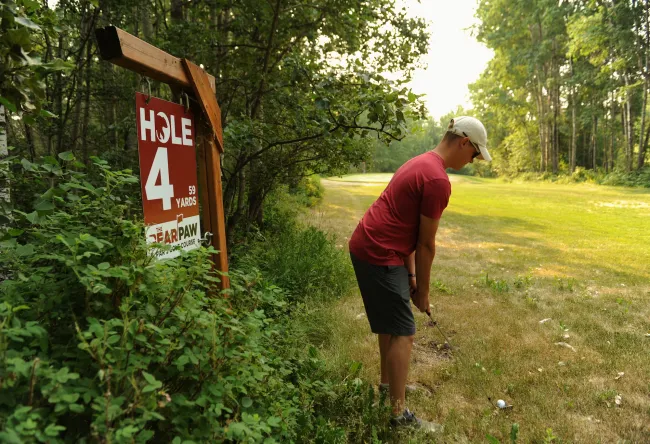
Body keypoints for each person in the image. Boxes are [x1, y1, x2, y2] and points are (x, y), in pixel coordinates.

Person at [348, 116, 492, 429]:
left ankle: (389, 388)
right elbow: (426, 244)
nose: (473, 160)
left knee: (390, 324)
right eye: (474, 153)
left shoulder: (421, 162)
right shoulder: (437, 180)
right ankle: (399, 416)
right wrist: (423, 292)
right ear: (463, 141)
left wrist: (412, 280)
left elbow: (410, 234)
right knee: (404, 330)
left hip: (372, 245)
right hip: (378, 251)